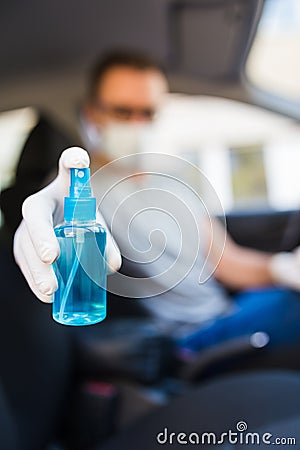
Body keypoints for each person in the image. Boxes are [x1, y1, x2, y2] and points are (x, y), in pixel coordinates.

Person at [11, 50, 300, 352]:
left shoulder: (173, 179)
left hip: (228, 311)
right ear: (94, 112)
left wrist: (284, 267)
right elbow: (50, 222)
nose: (137, 124)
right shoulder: (78, 188)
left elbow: (227, 260)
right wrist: (39, 230)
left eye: (147, 112)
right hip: (188, 338)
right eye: (123, 111)